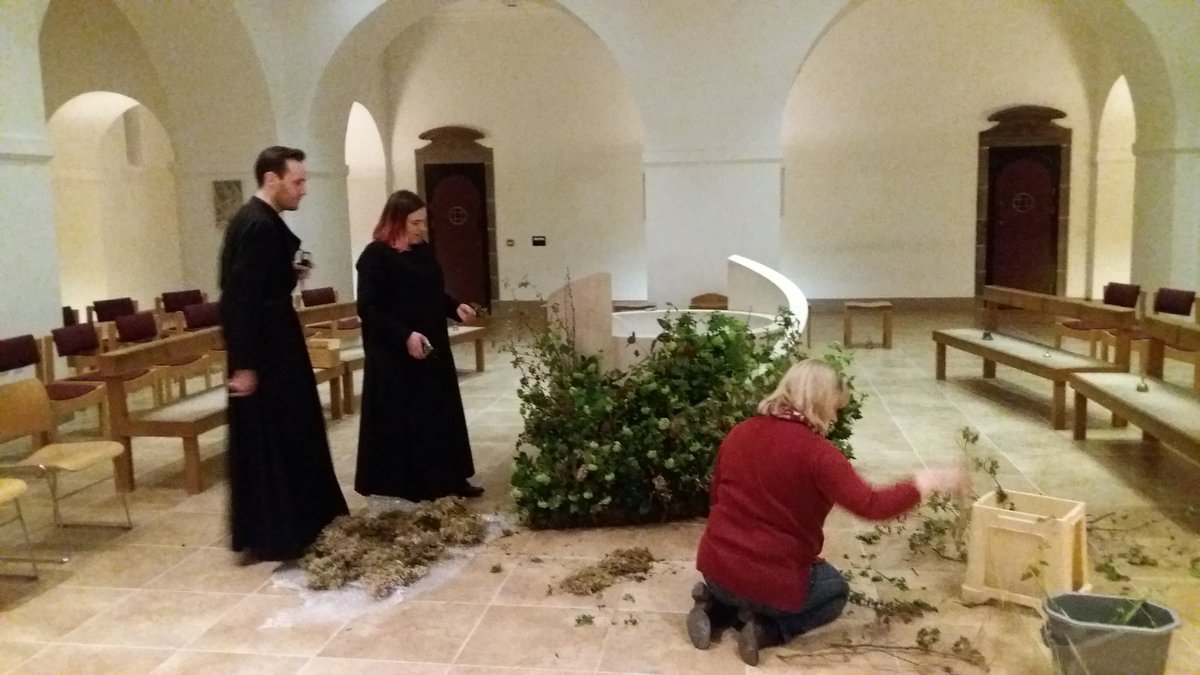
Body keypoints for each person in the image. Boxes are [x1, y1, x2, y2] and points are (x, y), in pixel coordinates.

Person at [690, 358, 968, 665]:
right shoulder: (819, 455)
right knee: (835, 589)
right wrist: (925, 482)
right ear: (820, 402)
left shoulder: (738, 433)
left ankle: (714, 609)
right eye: (835, 408)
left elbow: (715, 497)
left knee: (740, 581)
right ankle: (767, 629)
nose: (834, 417)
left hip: (715, 570)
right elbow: (871, 506)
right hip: (773, 589)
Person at [219, 145, 348, 562]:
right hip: (266, 355)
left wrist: (287, 274)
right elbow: (238, 300)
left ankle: (293, 524)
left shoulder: (256, 220)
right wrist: (244, 364)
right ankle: (280, 531)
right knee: (277, 437)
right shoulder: (257, 225)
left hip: (273, 346)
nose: (304, 189)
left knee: (286, 435)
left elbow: (259, 287)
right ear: (271, 179)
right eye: (298, 181)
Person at [353, 189, 484, 501]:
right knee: (408, 419)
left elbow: (430, 292)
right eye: (415, 223)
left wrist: (454, 307)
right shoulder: (375, 257)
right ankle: (412, 485)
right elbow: (369, 309)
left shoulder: (422, 250)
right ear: (396, 221)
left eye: (423, 222)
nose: (421, 229)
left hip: (431, 344)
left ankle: (450, 478)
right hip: (395, 352)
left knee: (440, 412)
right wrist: (404, 336)